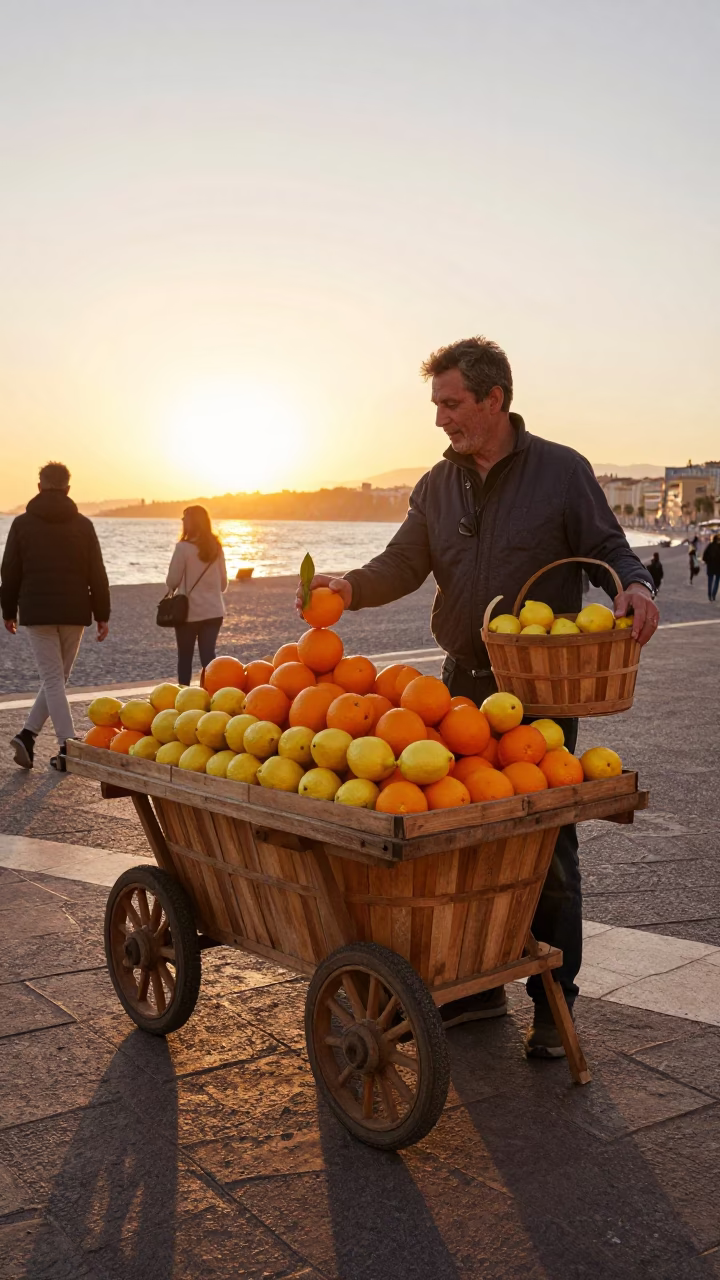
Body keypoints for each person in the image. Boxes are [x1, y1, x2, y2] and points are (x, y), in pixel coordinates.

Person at [297, 336, 659, 1059]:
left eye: (452, 404)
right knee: (461, 844)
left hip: (535, 694)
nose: (441, 420)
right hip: (456, 682)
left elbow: (610, 548)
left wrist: (636, 586)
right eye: (436, 405)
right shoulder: (437, 484)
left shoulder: (561, 471)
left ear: (494, 401)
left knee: (544, 845)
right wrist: (349, 587)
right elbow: (402, 562)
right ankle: (476, 987)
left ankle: (558, 1006)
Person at [1, 462, 110, 771]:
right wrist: (102, 614)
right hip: (75, 611)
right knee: (57, 679)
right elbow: (97, 573)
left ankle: (52, 743)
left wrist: (8, 610)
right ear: (68, 489)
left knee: (54, 679)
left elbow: (9, 572)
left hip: (37, 612)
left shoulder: (22, 524)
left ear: (39, 487)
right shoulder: (83, 525)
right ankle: (45, 740)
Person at [166, 506, 227, 686]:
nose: (182, 521)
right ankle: (212, 693)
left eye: (184, 518)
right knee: (209, 657)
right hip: (214, 611)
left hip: (188, 613)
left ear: (191, 522)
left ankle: (184, 695)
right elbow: (223, 584)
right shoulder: (216, 547)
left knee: (185, 657)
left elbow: (172, 581)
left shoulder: (183, 548)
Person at [702, 533, 720, 601]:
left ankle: (709, 594)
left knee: (710, 581)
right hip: (718, 567)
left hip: (710, 566)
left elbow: (704, 555)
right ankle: (713, 594)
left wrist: (707, 561)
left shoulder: (710, 546)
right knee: (717, 581)